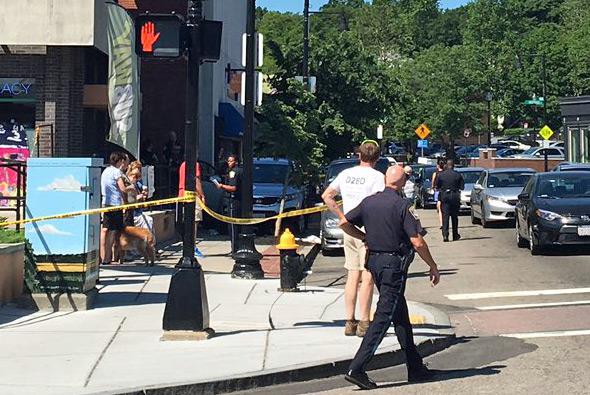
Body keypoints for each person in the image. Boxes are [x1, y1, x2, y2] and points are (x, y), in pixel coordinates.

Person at [340, 165, 441, 390]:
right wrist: (432, 266)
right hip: (393, 265)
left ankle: (415, 367)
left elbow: (344, 223)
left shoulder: (369, 202)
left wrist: (363, 236)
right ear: (403, 182)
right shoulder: (402, 205)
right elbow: (416, 241)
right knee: (384, 317)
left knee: (400, 315)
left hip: (374, 263)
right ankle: (357, 368)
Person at [322, 140, 385, 337]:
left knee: (352, 275)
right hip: (369, 230)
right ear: (377, 157)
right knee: (367, 277)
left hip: (349, 228)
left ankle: (350, 321)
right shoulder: (377, 177)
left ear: (359, 155)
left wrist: (342, 217)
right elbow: (382, 202)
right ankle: (364, 322)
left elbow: (327, 195)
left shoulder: (346, 174)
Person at [100, 151, 129, 265]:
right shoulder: (117, 172)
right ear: (121, 161)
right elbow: (122, 189)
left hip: (105, 203)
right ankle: (109, 257)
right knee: (113, 231)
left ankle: (103, 257)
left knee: (105, 230)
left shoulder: (106, 171)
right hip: (115, 204)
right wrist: (126, 202)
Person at [215, 154, 242, 253]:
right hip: (239, 201)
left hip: (233, 200)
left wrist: (221, 186)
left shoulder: (233, 172)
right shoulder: (241, 170)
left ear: (236, 162)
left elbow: (233, 188)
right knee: (236, 225)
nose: (229, 163)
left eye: (231, 161)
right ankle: (237, 247)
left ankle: (235, 248)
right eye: (228, 161)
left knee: (232, 226)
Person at [435, 159, 464, 242]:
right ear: (453, 165)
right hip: (455, 196)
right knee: (455, 217)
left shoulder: (441, 175)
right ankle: (455, 235)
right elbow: (462, 187)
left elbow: (437, 186)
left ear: (446, 166)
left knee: (445, 216)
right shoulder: (458, 175)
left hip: (445, 196)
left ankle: (445, 235)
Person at [178, 160, 206, 239]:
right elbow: (196, 180)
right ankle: (192, 244)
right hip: (193, 195)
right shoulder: (195, 164)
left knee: (186, 220)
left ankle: (186, 241)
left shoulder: (183, 164)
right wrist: (202, 195)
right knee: (194, 220)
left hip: (182, 194)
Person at [432, 160, 444, 229]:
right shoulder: (445, 173)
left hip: (438, 191)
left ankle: (441, 223)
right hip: (443, 191)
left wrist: (433, 187)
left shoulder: (435, 173)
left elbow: (433, 182)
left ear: (438, 166)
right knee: (441, 207)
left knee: (439, 208)